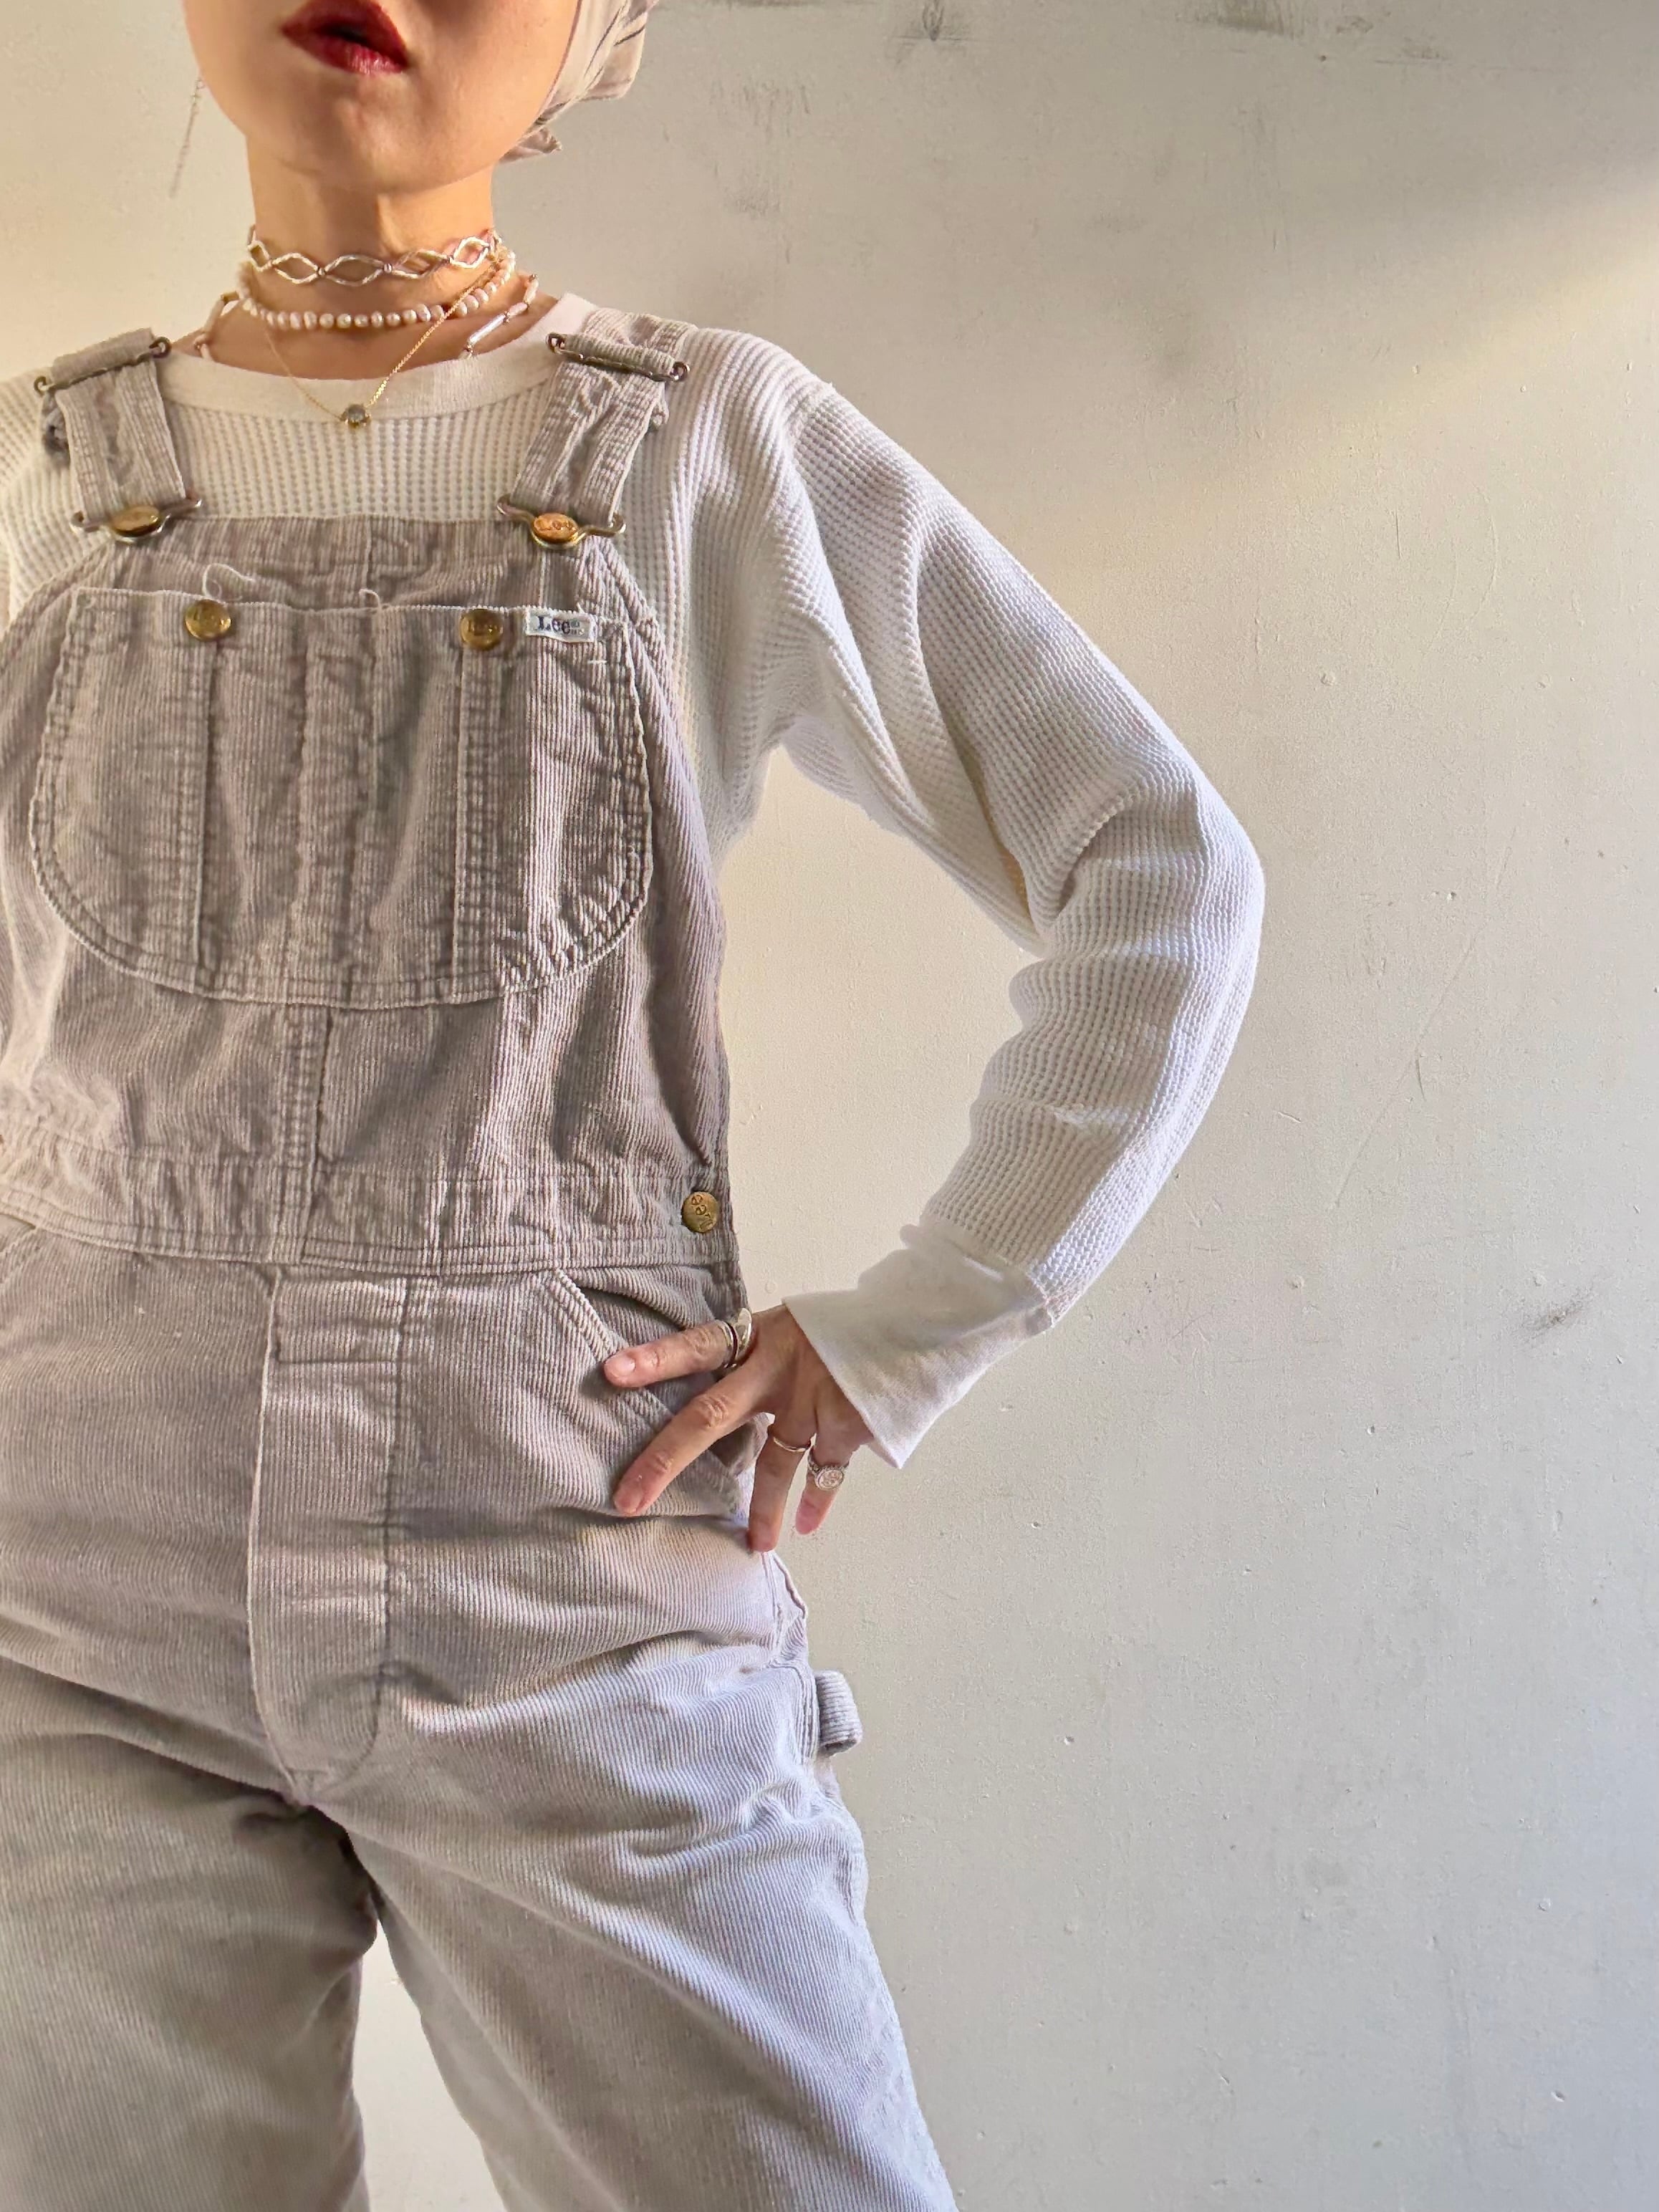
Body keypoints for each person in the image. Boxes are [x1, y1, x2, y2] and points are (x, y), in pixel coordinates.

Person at [0, 1, 1266, 2206]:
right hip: (57, 1600)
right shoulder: (43, 475)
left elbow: (1152, 864)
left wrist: (910, 1333)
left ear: (600, 33)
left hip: (568, 1560)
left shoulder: (704, 446)